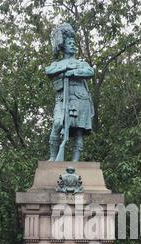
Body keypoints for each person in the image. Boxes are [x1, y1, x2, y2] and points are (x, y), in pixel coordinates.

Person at [45, 23, 94, 161]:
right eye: (69, 43)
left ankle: (75, 161)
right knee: (57, 123)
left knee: (78, 131)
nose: (73, 45)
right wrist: (65, 67)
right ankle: (53, 157)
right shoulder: (57, 64)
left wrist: (72, 72)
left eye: (74, 43)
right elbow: (49, 71)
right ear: (63, 46)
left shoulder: (81, 64)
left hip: (80, 99)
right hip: (62, 99)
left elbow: (90, 72)